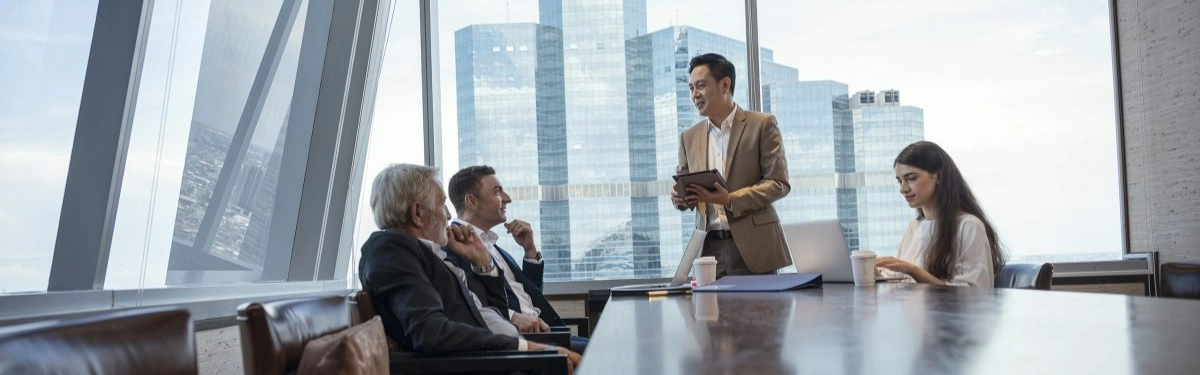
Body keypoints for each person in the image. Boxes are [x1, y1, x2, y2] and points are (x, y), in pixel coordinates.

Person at [358, 163, 581, 371]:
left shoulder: (429, 254)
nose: (447, 214)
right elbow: (432, 332)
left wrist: (483, 263)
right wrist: (529, 349)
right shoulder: (390, 250)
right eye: (441, 203)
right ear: (418, 213)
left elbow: (494, 316)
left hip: (505, 358)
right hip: (490, 364)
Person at [671, 52, 792, 277]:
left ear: (725, 84)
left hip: (754, 248)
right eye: (690, 88)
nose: (694, 95)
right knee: (710, 314)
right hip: (708, 251)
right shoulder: (688, 138)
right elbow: (682, 190)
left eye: (701, 86)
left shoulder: (762, 125)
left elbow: (778, 183)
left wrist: (729, 199)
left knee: (762, 312)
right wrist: (678, 198)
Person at [445, 165, 589, 353]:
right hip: (522, 342)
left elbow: (529, 297)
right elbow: (466, 304)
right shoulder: (454, 247)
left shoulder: (494, 246)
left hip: (551, 332)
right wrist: (512, 317)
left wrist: (530, 251)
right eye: (498, 192)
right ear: (471, 202)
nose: (507, 199)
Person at [876, 141, 1006, 287]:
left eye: (911, 178)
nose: (903, 189)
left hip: (947, 310)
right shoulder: (914, 228)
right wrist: (870, 270)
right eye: (900, 181)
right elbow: (896, 277)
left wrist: (913, 270)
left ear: (938, 176)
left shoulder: (968, 226)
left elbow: (971, 292)